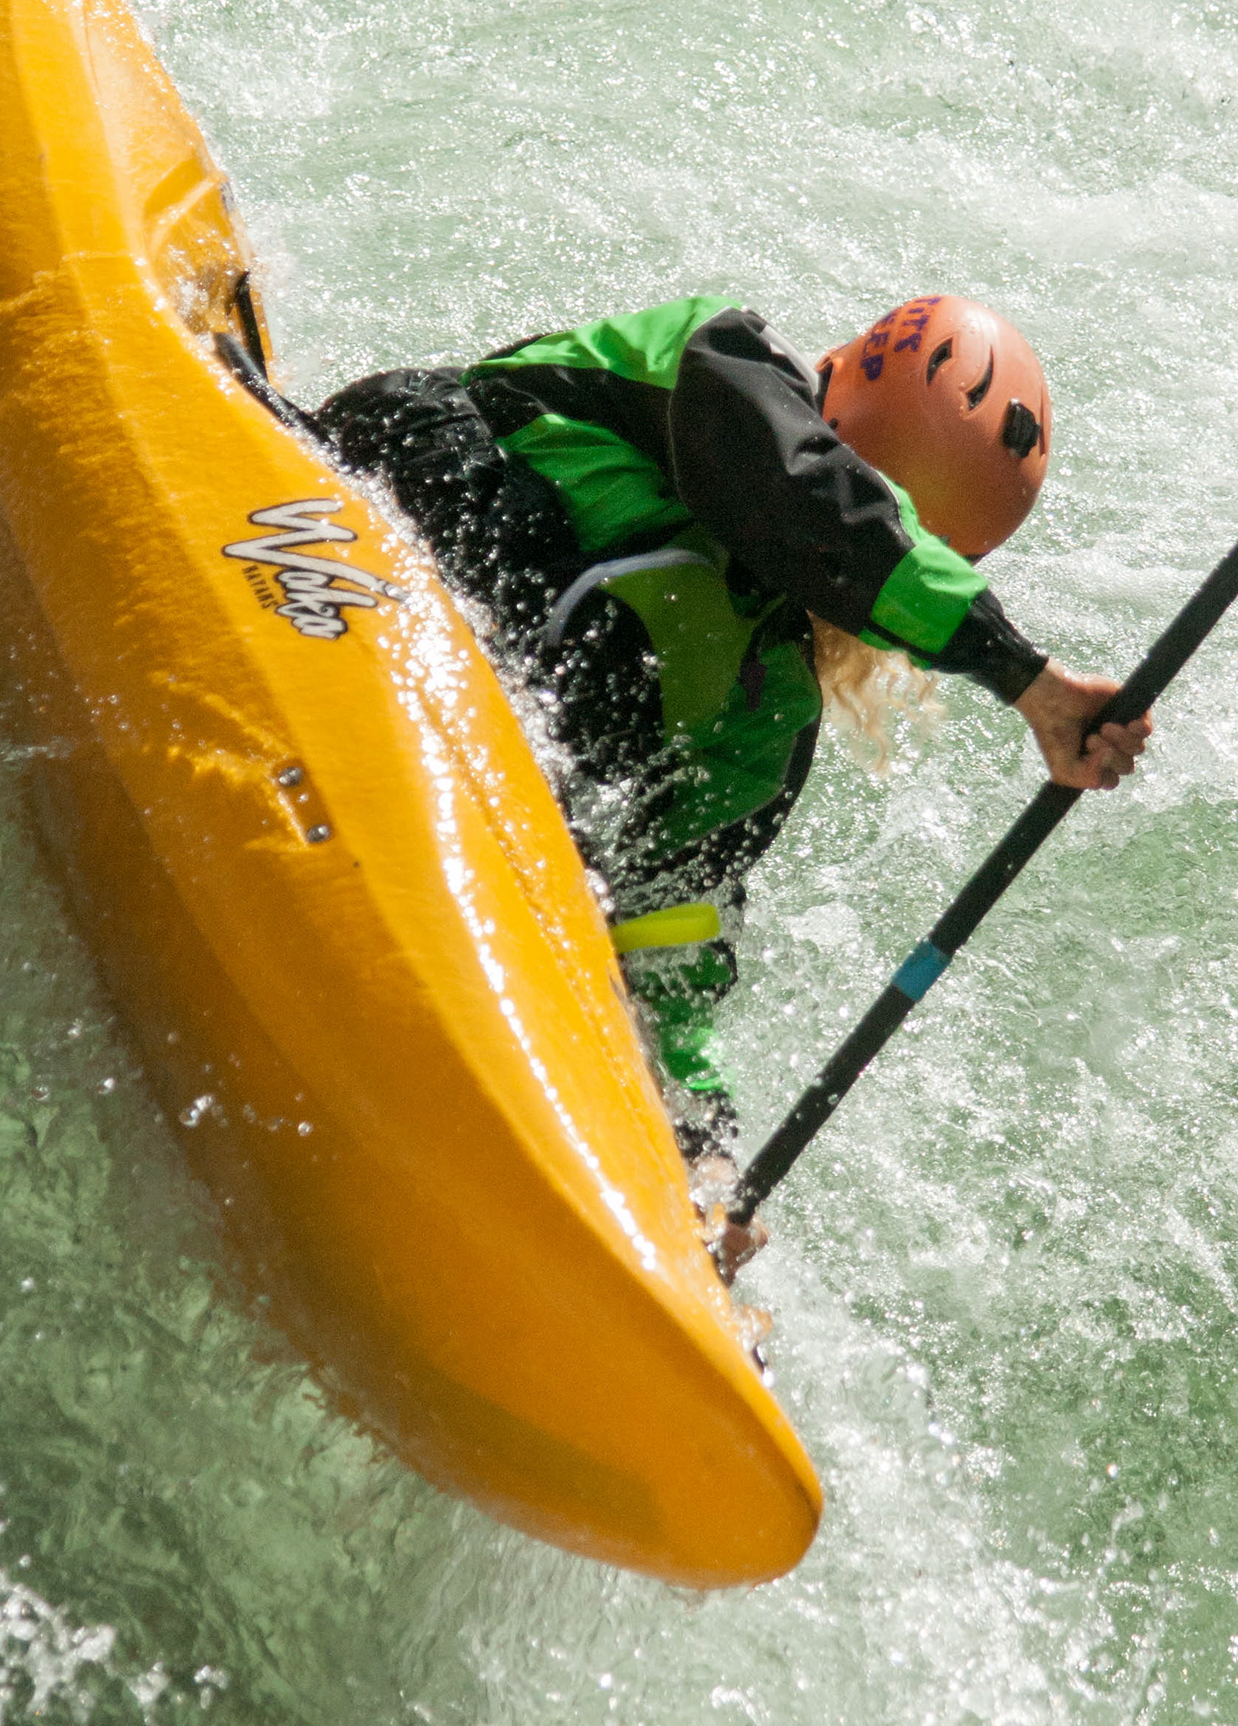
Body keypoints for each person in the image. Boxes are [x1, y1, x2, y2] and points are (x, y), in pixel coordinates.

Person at [315, 291, 1151, 1273]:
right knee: (592, 598)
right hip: (358, 518)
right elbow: (798, 494)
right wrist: (1025, 678)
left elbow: (670, 932)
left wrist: (701, 1157)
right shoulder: (718, 364)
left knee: (622, 776)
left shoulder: (765, 710)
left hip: (429, 813)